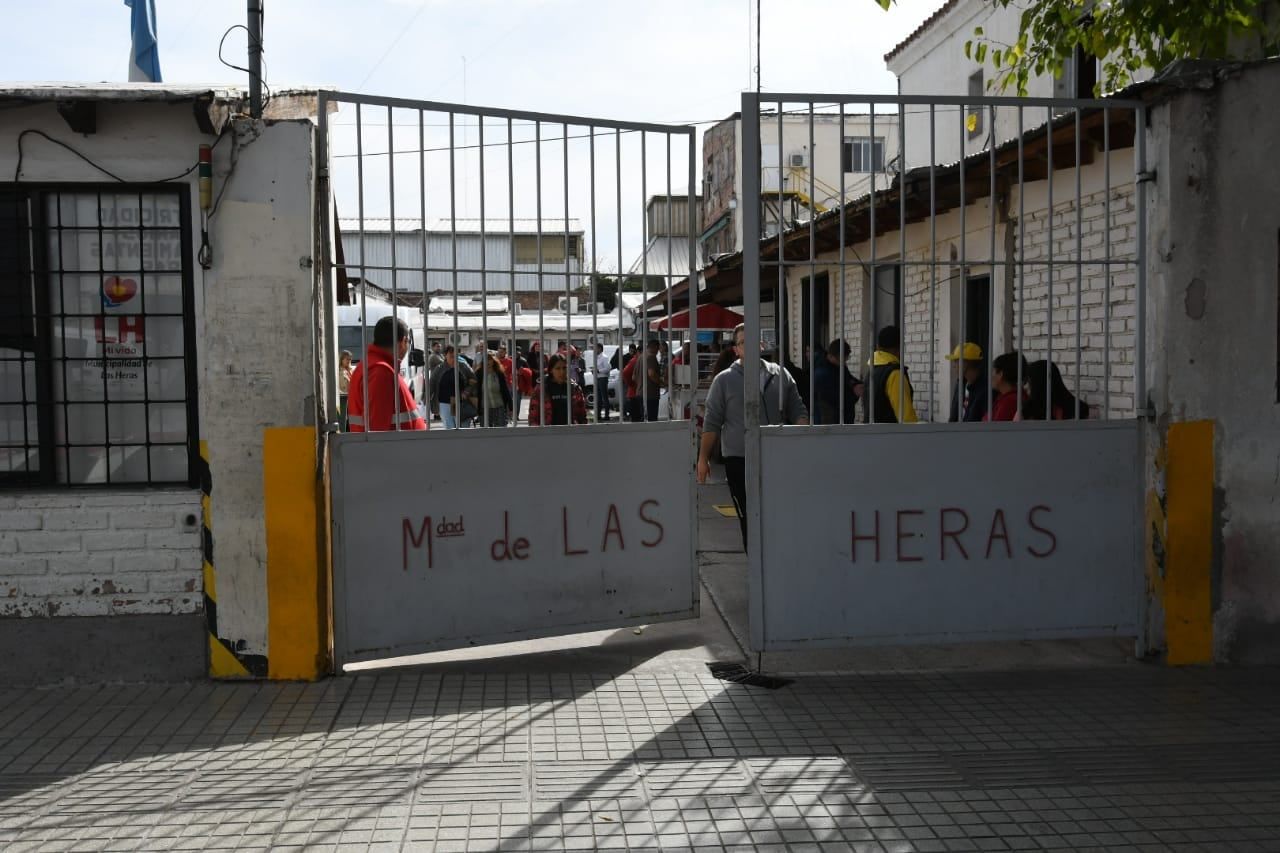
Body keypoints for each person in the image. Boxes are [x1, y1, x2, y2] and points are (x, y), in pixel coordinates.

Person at [697, 323, 808, 549]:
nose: (749, 346)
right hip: (739, 458)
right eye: (742, 342)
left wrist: (801, 438)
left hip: (775, 455)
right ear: (736, 349)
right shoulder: (724, 380)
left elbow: (798, 410)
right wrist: (703, 458)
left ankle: (776, 560)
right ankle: (755, 563)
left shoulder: (779, 374)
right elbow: (712, 423)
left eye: (753, 340)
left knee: (777, 511)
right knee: (749, 514)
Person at [346, 317, 427, 432]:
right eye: (408, 342)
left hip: (402, 447)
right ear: (403, 341)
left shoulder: (372, 366)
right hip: (400, 448)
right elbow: (377, 433)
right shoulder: (380, 371)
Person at [864, 325, 918, 423]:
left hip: (871, 434)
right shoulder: (895, 374)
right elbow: (906, 416)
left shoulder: (873, 370)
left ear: (878, 346)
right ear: (899, 347)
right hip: (890, 435)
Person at [813, 339, 864, 425]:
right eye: (843, 359)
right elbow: (837, 399)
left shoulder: (837, 366)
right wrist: (855, 394)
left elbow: (848, 378)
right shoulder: (822, 373)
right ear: (833, 356)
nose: (845, 362)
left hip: (839, 420)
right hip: (831, 423)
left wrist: (855, 384)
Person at [528, 353, 587, 426]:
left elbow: (582, 415)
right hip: (548, 433)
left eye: (564, 368)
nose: (562, 372)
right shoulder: (541, 389)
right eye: (558, 368)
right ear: (551, 370)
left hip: (571, 433)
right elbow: (533, 416)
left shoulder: (575, 388)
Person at [1023, 359, 1090, 421]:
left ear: (1038, 384)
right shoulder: (1078, 408)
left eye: (1029, 382)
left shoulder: (1028, 411)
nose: (1026, 386)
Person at [946, 342, 990, 423]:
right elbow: (953, 416)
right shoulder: (962, 384)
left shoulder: (985, 389)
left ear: (966, 363)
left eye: (956, 361)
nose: (954, 365)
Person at [436, 345, 477, 429]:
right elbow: (432, 384)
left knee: (462, 428)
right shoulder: (440, 368)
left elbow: (473, 379)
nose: (453, 356)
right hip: (445, 403)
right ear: (445, 355)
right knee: (449, 429)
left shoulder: (463, 366)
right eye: (451, 353)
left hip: (460, 402)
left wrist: (467, 391)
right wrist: (431, 403)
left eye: (455, 353)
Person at [985, 351, 1030, 422]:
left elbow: (995, 430)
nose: (990, 375)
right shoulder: (1006, 397)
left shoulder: (1010, 402)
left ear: (1000, 374)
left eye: (992, 371)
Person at [478, 351, 514, 427]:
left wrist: (511, 407)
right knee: (486, 433)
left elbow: (505, 390)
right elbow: (475, 391)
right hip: (484, 408)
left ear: (493, 361)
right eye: (486, 360)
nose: (488, 362)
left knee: (500, 432)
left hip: (499, 407)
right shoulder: (479, 373)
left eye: (490, 359)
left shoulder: (499, 373)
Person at [643, 339, 664, 421]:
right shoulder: (651, 357)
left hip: (645, 392)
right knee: (652, 419)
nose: (658, 351)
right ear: (655, 347)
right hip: (651, 393)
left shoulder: (642, 356)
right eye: (658, 348)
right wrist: (661, 383)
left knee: (647, 418)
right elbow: (651, 374)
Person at [621, 346, 643, 422]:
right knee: (636, 418)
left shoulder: (636, 360)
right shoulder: (635, 360)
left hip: (636, 391)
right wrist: (631, 384)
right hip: (635, 392)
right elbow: (625, 373)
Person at [593, 342, 612, 421]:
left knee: (604, 397)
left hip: (603, 378)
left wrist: (598, 370)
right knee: (598, 398)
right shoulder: (596, 357)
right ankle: (598, 415)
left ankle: (607, 415)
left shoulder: (604, 357)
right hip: (597, 378)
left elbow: (608, 368)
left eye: (596, 348)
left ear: (600, 349)